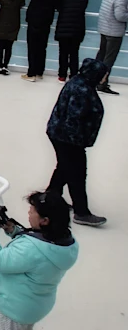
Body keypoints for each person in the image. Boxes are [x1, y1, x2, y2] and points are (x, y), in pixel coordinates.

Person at [0, 191, 78, 330]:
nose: (28, 213)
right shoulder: (67, 242)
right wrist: (14, 230)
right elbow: (38, 245)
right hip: (33, 303)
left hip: (15, 310)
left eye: (32, 212)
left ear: (45, 221)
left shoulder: (31, 250)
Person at [46, 57, 108, 227]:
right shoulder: (82, 90)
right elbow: (73, 119)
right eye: (103, 75)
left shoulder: (80, 83)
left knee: (65, 167)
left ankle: (50, 197)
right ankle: (81, 212)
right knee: (77, 173)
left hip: (59, 134)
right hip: (67, 138)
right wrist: (77, 145)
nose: (104, 78)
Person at [22, 0, 61, 82]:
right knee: (42, 48)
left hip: (34, 22)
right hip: (46, 22)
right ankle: (40, 72)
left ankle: (31, 73)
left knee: (32, 48)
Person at [94, 0, 128, 95]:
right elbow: (120, 16)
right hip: (114, 32)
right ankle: (102, 84)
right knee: (109, 59)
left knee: (101, 56)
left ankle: (93, 79)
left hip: (104, 29)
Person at [54, 0, 89, 82]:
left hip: (63, 27)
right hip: (77, 27)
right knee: (74, 53)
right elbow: (83, 7)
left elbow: (58, 7)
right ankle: (74, 74)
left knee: (63, 53)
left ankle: (62, 75)